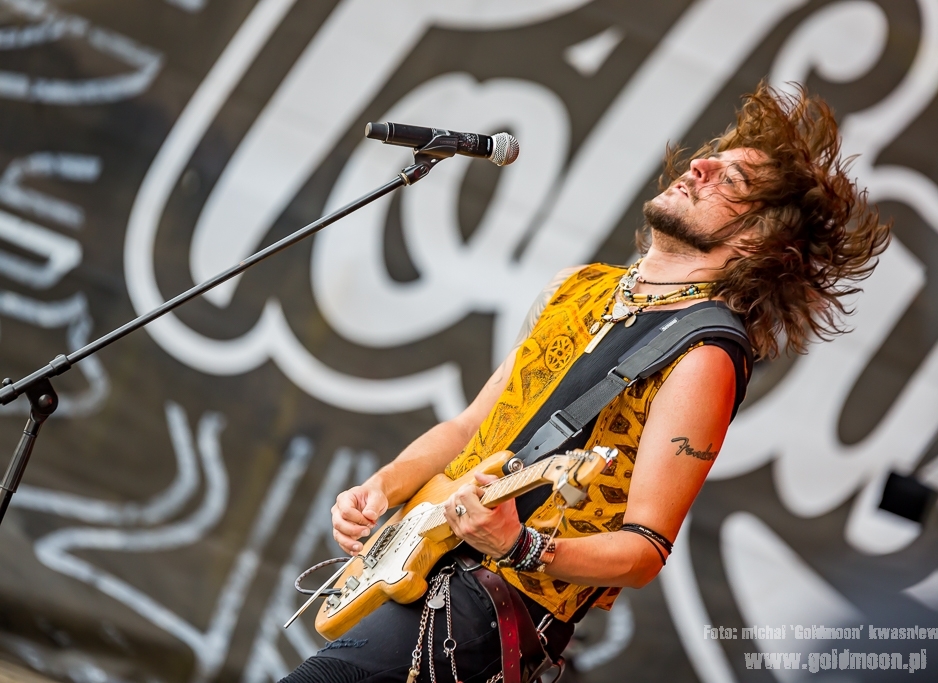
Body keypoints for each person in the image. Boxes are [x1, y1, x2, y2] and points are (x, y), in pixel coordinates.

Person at [281, 82, 890, 683]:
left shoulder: (705, 354)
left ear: (758, 237)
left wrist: (520, 546)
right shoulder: (578, 287)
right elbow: (471, 428)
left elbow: (645, 548)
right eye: (711, 160)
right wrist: (382, 489)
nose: (699, 167)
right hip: (418, 554)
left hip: (490, 601)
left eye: (730, 180)